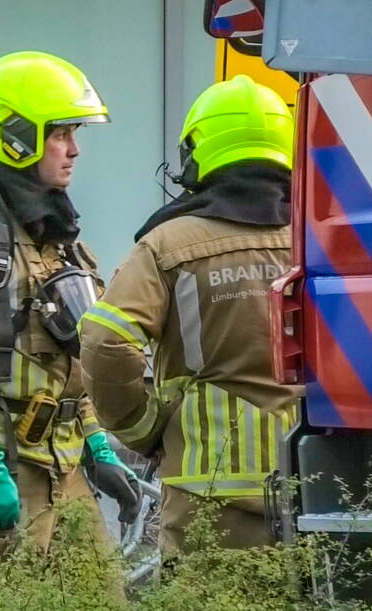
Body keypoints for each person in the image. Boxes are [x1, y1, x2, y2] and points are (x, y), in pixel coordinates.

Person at [0, 51, 139, 557]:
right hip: (1, 471)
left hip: (64, 465)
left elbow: (68, 355)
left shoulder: (52, 233)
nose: (74, 149)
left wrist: (97, 441)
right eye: (60, 134)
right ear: (14, 136)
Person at [79, 74, 301, 558]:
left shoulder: (169, 244)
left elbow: (105, 340)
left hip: (210, 492)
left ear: (200, 152)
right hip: (318, 485)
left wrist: (139, 427)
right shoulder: (322, 239)